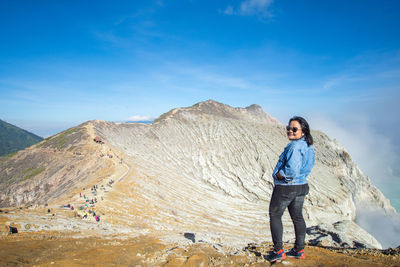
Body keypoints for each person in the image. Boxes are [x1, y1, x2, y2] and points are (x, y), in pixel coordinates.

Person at [267, 116, 315, 262]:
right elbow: (308, 165)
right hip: (301, 186)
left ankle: (278, 251)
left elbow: (292, 170)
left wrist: (279, 175)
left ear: (303, 131)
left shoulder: (294, 147)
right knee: (297, 217)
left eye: (294, 129)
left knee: (275, 215)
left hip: (287, 188)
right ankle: (299, 250)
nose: (290, 131)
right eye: (289, 128)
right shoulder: (308, 145)